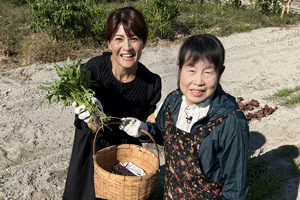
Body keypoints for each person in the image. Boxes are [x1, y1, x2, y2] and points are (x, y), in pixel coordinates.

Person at [120, 34, 249, 200]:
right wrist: (144, 129)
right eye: (191, 70)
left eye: (208, 72)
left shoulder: (230, 121)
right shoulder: (173, 100)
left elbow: (235, 188)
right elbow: (164, 134)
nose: (198, 81)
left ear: (220, 72)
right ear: (179, 68)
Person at [63, 6, 162, 200]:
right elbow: (88, 123)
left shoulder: (151, 82)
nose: (127, 47)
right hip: (93, 150)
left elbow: (149, 120)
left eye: (134, 38)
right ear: (109, 42)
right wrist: (90, 114)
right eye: (119, 39)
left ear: (143, 42)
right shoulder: (92, 72)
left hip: (127, 154)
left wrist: (145, 127)